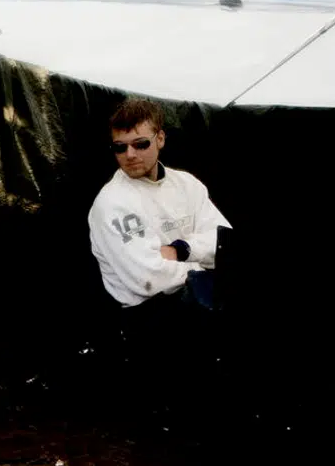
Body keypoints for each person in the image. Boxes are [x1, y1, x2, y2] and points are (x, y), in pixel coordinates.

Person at [88, 97, 230, 311]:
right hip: (149, 319)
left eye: (140, 144)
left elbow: (225, 244)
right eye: (120, 147)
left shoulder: (187, 185)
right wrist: (202, 269)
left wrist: (182, 250)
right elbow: (148, 279)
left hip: (204, 305)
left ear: (160, 139)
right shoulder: (112, 203)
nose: (130, 155)